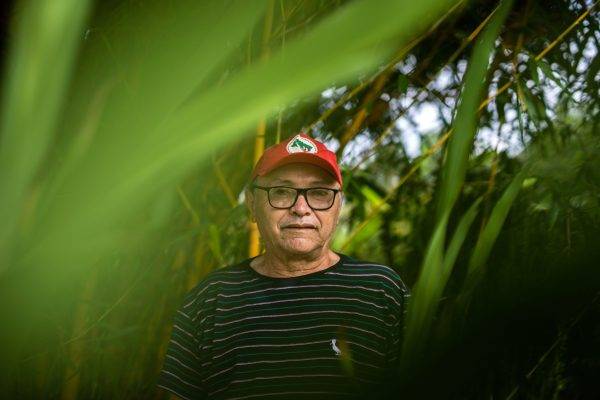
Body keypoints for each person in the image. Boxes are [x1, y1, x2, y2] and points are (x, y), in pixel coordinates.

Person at [157, 133, 410, 400]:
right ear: (252, 204)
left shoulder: (381, 290)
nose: (301, 208)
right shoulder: (212, 299)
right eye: (281, 192)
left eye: (320, 193)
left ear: (338, 205)